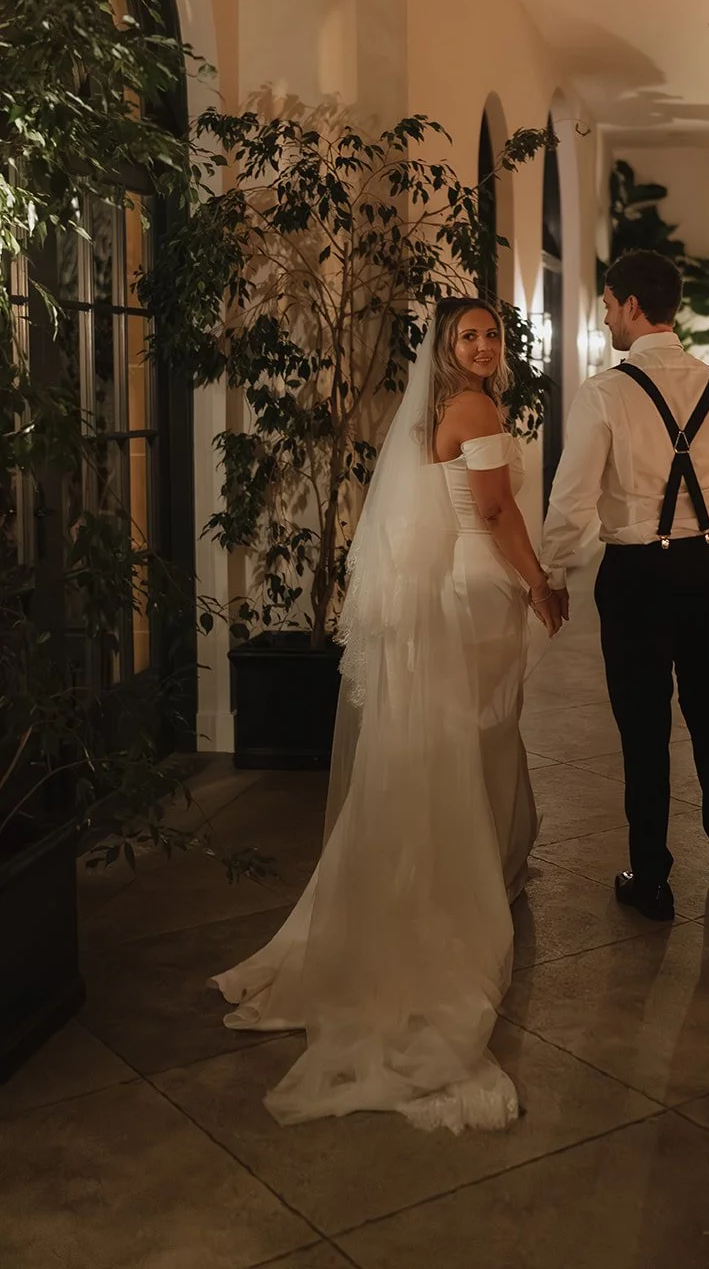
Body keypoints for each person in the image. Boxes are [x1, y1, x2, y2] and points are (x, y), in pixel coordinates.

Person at [212, 297, 563, 1132]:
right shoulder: (472, 407)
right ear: (444, 348)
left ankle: (481, 859)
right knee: (483, 727)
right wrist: (539, 582)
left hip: (459, 586)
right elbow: (493, 511)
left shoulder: (437, 410)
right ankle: (473, 871)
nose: (481, 345)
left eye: (490, 334)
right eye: (466, 335)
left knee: (471, 732)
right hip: (482, 583)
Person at [541, 249, 709, 922]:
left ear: (631, 305)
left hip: (635, 571)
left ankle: (652, 877)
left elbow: (572, 499)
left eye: (606, 306)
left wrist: (552, 568)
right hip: (707, 564)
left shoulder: (604, 392)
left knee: (643, 724)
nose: (604, 320)